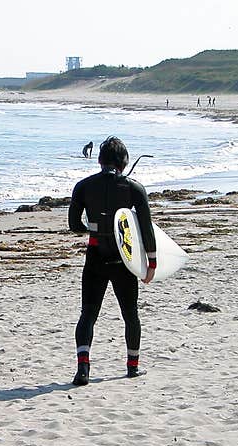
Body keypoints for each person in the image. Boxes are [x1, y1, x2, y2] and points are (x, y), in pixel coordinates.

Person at [67, 136, 157, 386]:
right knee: (130, 314)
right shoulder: (134, 188)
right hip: (123, 259)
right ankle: (132, 367)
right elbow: (146, 229)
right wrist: (151, 263)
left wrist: (94, 227)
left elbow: (74, 226)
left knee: (88, 314)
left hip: (95, 255)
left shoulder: (83, 186)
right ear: (124, 162)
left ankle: (83, 370)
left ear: (99, 160)